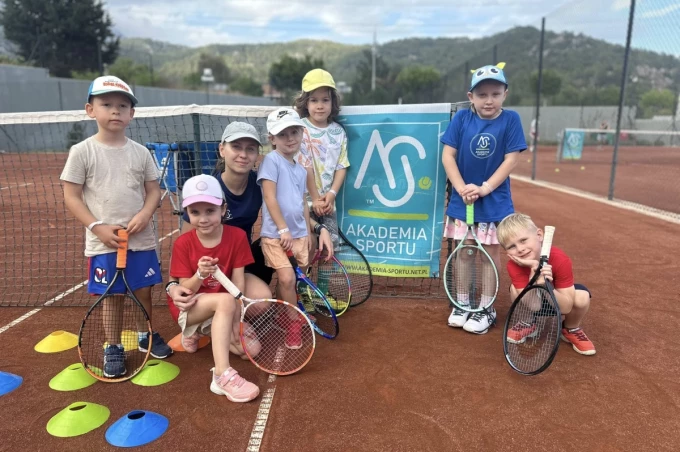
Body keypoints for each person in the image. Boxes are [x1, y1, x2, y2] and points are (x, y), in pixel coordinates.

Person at [166, 121, 334, 352]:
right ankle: (202, 323)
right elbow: (185, 245)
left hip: (237, 262)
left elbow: (288, 209)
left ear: (257, 154)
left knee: (262, 299)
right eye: (236, 147)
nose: (243, 155)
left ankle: (232, 318)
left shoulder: (259, 185)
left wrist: (318, 228)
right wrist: (173, 285)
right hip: (205, 270)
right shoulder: (208, 191)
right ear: (222, 149)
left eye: (250, 149)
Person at [61, 75, 173, 379]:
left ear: (131, 114)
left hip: (140, 240)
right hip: (104, 242)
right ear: (90, 110)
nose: (115, 110)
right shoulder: (81, 151)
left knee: (143, 291)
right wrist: (96, 227)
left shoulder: (140, 152)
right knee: (112, 296)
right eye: (107, 104)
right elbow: (71, 196)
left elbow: (153, 190)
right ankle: (113, 346)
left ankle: (145, 334)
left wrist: (146, 213)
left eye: (123, 106)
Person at [441, 62, 526, 334]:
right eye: (482, 95)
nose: (489, 100)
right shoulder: (461, 119)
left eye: (495, 94)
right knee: (465, 252)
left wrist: (485, 188)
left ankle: (486, 308)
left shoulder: (511, 120)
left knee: (490, 253)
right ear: (471, 97)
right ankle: (462, 304)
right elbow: (448, 156)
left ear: (505, 94)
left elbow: (511, 159)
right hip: (463, 200)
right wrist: (462, 188)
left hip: (494, 202)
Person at [168, 174, 260, 402]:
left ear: (223, 209)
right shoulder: (183, 243)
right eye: (195, 212)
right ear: (187, 213)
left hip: (223, 305)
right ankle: (222, 375)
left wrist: (237, 321)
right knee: (225, 301)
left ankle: (199, 332)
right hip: (191, 307)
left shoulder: (237, 236)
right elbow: (185, 290)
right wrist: (200, 274)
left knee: (250, 351)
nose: (203, 219)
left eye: (210, 211)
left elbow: (238, 283)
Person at [496, 213, 596, 355]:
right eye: (512, 246)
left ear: (539, 235)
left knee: (582, 297)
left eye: (523, 240)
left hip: (558, 300)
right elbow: (534, 305)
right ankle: (528, 323)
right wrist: (534, 271)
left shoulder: (560, 259)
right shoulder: (513, 265)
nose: (520, 249)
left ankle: (570, 328)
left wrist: (544, 285)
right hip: (534, 301)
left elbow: (566, 307)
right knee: (514, 289)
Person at [294, 68, 350, 308]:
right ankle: (303, 296)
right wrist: (315, 198)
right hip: (302, 203)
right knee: (306, 249)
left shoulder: (339, 132)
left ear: (332, 102)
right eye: (314, 100)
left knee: (328, 251)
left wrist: (331, 195)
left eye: (325, 100)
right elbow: (303, 166)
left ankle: (321, 296)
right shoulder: (298, 129)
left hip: (328, 204)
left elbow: (341, 166)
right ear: (305, 103)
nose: (319, 106)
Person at [258, 107, 315, 317]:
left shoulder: (301, 170)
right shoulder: (271, 161)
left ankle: (282, 313)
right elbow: (269, 197)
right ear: (272, 139)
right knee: (287, 278)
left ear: (302, 134)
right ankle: (294, 322)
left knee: (293, 280)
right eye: (282, 134)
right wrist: (283, 229)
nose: (290, 138)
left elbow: (303, 202)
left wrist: (307, 232)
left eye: (294, 132)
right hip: (277, 235)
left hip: (299, 234)